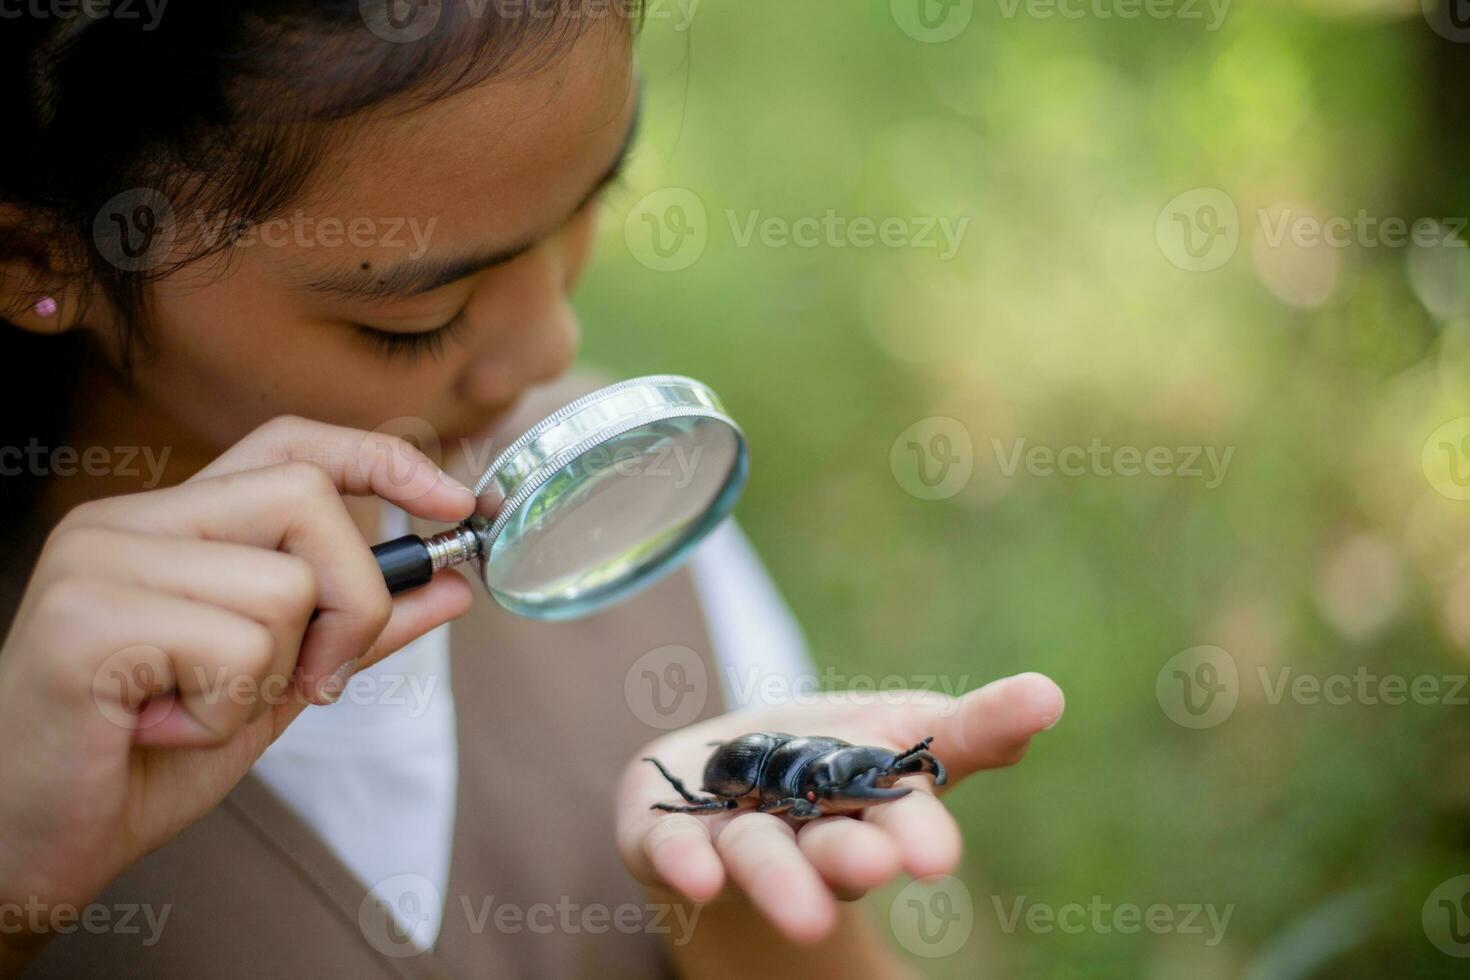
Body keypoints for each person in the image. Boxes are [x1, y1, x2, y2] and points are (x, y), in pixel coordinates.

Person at [0, 4, 1065, 976]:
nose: (555, 343)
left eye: (592, 199)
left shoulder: (627, 502)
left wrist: (744, 909)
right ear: (40, 257)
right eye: (413, 319)